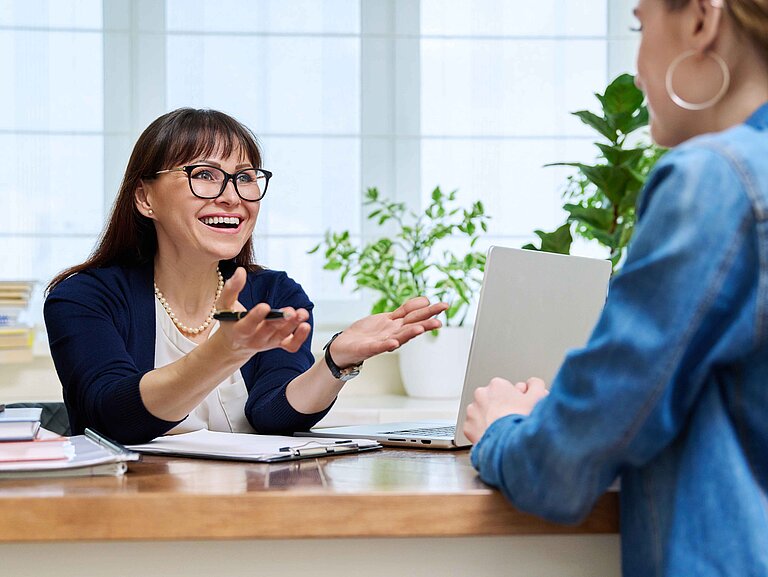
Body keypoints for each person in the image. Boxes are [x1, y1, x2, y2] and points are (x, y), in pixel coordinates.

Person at [463, 1, 768, 575]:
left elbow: (563, 467)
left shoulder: (717, 180)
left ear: (702, 20)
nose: (635, 68)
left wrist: (503, 427)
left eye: (640, 25)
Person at [44, 108, 447, 445]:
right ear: (145, 197)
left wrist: (336, 361)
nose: (232, 195)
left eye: (246, 176)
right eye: (204, 174)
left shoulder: (274, 293)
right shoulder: (82, 298)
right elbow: (115, 416)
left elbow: (272, 413)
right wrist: (223, 352)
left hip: (251, 509)